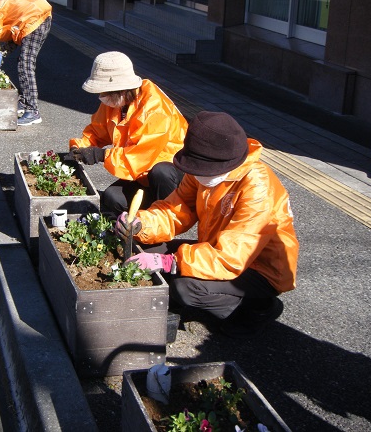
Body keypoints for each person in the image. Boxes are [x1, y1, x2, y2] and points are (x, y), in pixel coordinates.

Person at [115, 111, 299, 337]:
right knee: (148, 248)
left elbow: (232, 257)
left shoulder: (258, 187)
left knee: (185, 289)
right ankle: (218, 296)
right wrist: (142, 224)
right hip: (217, 249)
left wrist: (170, 262)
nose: (195, 175)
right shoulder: (205, 168)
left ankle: (257, 309)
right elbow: (176, 208)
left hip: (260, 268)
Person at [68, 51, 188, 216]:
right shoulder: (116, 101)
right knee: (111, 198)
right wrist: (79, 148)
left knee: (161, 172)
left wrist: (101, 155)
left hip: (173, 175)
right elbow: (97, 131)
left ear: (121, 90)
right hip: (143, 174)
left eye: (104, 92)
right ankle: (143, 218)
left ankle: (166, 219)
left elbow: (140, 157)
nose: (100, 97)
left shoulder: (155, 108)